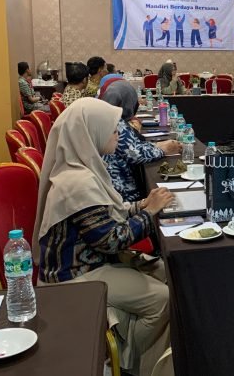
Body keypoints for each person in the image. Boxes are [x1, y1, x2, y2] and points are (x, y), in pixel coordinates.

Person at [32, 98, 173, 376]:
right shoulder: (78, 183)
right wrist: (150, 213)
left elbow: (108, 213)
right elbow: (111, 240)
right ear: (90, 133)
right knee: (163, 298)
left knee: (163, 270)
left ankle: (145, 355)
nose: (118, 134)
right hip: (74, 275)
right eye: (111, 129)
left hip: (90, 260)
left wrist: (142, 205)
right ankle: (130, 361)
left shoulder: (82, 168)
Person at [102, 80, 182, 201]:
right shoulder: (114, 122)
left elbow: (133, 145)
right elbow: (135, 154)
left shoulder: (107, 117)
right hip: (123, 193)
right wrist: (163, 150)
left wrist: (156, 145)